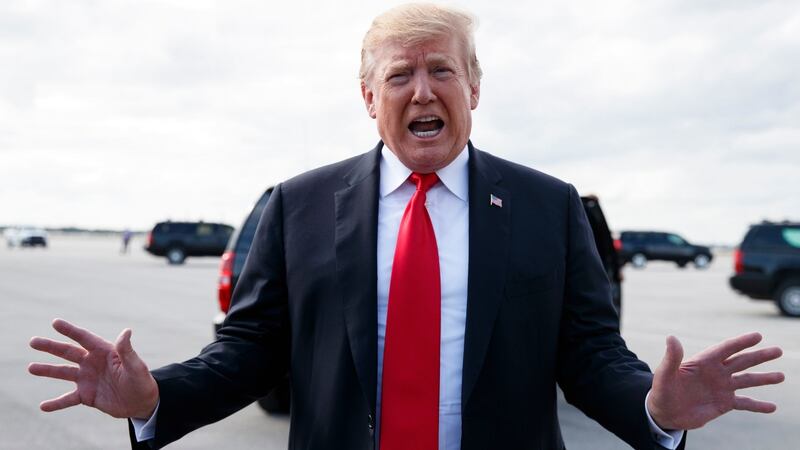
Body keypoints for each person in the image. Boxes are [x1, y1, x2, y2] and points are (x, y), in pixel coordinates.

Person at [29, 4, 784, 450]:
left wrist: (653, 412)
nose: (422, 89)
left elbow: (588, 355)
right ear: (368, 97)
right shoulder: (299, 205)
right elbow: (250, 352)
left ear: (475, 87)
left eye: (442, 70)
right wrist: (152, 398)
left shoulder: (547, 206)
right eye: (399, 74)